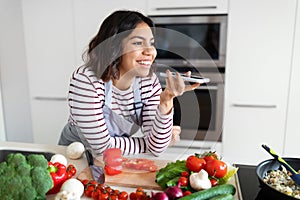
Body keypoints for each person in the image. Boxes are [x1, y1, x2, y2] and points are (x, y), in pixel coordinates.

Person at [58, 10, 200, 156]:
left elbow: (157, 148)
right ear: (114, 47)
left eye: (151, 43)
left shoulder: (148, 82)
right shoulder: (86, 80)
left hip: (116, 158)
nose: (150, 51)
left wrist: (166, 100)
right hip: (76, 158)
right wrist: (147, 143)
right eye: (138, 43)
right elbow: (102, 147)